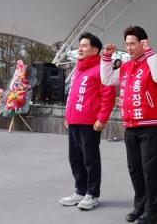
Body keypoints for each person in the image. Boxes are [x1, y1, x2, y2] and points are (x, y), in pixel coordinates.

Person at [101, 26, 157, 224]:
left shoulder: (155, 61)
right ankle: (140, 206)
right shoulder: (126, 67)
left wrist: (150, 52)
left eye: (132, 43)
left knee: (150, 168)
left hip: (151, 124)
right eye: (126, 44)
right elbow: (106, 79)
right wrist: (106, 57)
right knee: (135, 168)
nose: (128, 48)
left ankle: (153, 211)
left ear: (143, 43)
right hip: (130, 125)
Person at [60, 32, 115, 210]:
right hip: (74, 121)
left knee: (90, 159)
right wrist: (68, 117)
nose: (80, 49)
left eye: (84, 46)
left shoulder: (101, 69)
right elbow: (72, 96)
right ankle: (80, 191)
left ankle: (92, 193)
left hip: (90, 123)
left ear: (95, 49)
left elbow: (108, 96)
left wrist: (102, 118)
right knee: (75, 158)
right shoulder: (79, 70)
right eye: (79, 46)